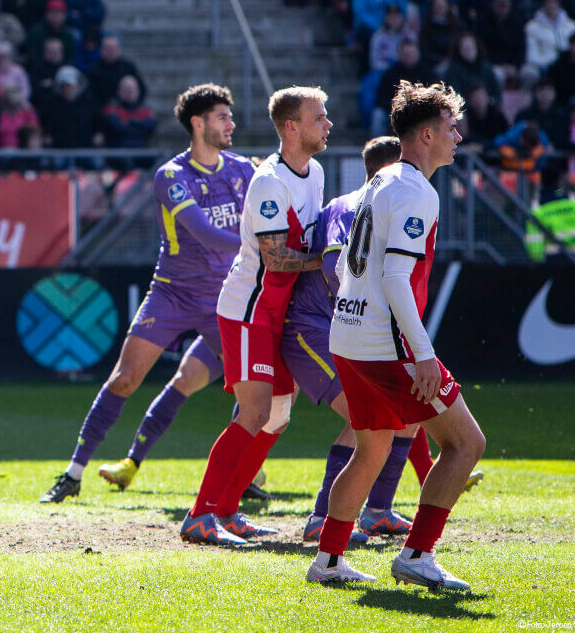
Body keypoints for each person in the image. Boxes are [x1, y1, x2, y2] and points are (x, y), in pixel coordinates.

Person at [306, 82, 485, 588]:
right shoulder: (414, 191)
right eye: (451, 127)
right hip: (389, 348)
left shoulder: (383, 179)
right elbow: (393, 278)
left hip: (348, 336)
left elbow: (350, 265)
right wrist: (423, 355)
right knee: (466, 444)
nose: (458, 135)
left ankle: (329, 560)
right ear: (425, 134)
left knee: (372, 452)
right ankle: (417, 554)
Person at [39, 84, 254, 503]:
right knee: (125, 378)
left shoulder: (243, 169)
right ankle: (73, 473)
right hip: (171, 294)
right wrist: (261, 241)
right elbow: (206, 234)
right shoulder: (172, 175)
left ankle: (243, 476)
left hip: (224, 298)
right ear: (198, 122)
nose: (232, 123)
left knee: (250, 389)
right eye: (222, 116)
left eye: (230, 116)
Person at [181, 86, 331, 546]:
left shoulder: (316, 171)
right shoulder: (269, 181)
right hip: (248, 311)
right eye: (319, 118)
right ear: (292, 127)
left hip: (278, 314)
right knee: (255, 412)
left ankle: (226, 512)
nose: (328, 125)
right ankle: (200, 516)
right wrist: (325, 260)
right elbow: (276, 258)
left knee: (277, 417)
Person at [283, 136, 418, 543]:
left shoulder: (383, 205)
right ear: (389, 171)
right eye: (407, 168)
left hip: (345, 326)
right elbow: (333, 266)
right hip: (311, 328)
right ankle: (321, 519)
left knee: (407, 414)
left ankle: (377, 511)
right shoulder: (353, 205)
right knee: (370, 418)